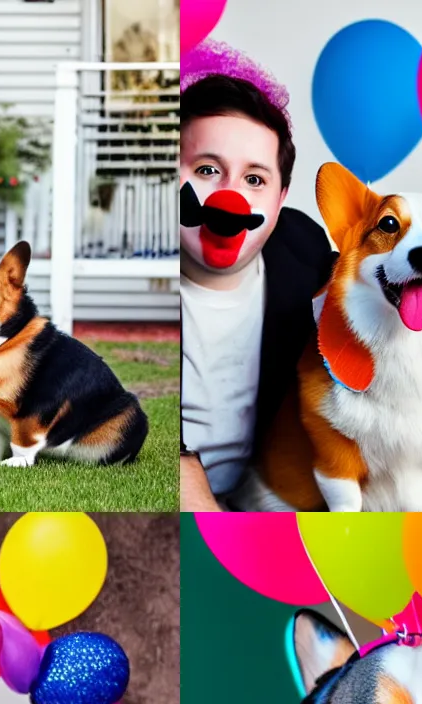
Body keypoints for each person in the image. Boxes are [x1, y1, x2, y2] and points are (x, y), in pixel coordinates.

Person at [180, 44, 334, 511]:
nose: (230, 200)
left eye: (255, 180)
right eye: (207, 170)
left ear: (280, 197)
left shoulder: (303, 254)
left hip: (268, 495)